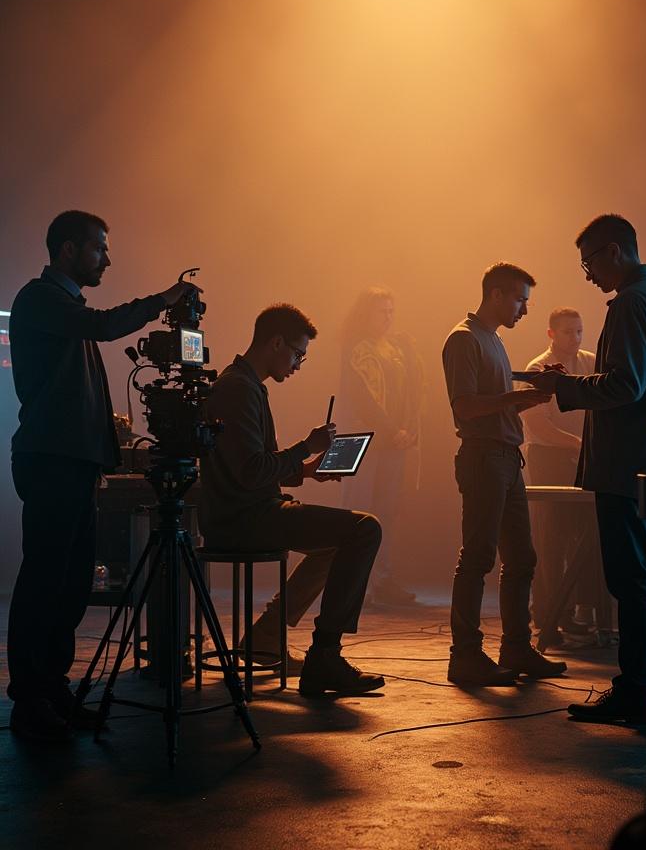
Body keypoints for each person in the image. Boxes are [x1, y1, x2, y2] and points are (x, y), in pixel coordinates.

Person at [7, 210, 198, 743]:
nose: (107, 259)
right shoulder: (40, 300)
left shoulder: (66, 309)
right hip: (51, 460)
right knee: (46, 580)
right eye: (99, 249)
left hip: (74, 462)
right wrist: (163, 300)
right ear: (68, 250)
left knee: (68, 585)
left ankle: (52, 691)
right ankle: (30, 699)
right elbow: (106, 326)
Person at [528, 214, 646, 725]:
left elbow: (623, 386)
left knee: (632, 584)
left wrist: (562, 389)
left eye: (588, 262)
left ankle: (632, 694)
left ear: (614, 251)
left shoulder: (630, 304)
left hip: (626, 468)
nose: (587, 275)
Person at [199, 303, 385, 697]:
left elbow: (251, 467)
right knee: (364, 529)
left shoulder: (244, 385)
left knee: (341, 539)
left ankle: (266, 636)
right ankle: (326, 657)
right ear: (276, 342)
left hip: (249, 510)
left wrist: (307, 470)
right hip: (244, 518)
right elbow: (252, 472)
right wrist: (305, 448)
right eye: (298, 354)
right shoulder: (238, 389)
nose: (299, 364)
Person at [441, 262, 568, 686]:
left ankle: (515, 647)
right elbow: (466, 407)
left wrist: (532, 392)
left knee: (521, 558)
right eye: (520, 300)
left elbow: (492, 399)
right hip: (484, 458)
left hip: (506, 458)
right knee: (477, 557)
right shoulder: (463, 339)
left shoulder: (491, 339)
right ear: (496, 294)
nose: (525, 310)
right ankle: (465, 657)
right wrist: (524, 395)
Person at [339, 286, 424, 606]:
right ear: (366, 313)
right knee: (356, 512)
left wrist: (406, 430)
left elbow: (408, 393)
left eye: (391, 311)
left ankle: (381, 580)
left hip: (391, 442)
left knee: (386, 512)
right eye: (381, 311)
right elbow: (361, 398)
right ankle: (351, 583)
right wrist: (392, 430)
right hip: (359, 439)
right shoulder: (354, 348)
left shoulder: (395, 348)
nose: (388, 317)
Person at [522, 307, 598, 640]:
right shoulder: (537, 369)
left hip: (582, 456)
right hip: (549, 457)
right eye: (568, 332)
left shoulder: (591, 361)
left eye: (579, 331)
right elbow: (538, 425)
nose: (575, 337)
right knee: (550, 539)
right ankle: (547, 614)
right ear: (552, 334)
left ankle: (575, 610)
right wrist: (579, 444)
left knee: (582, 537)